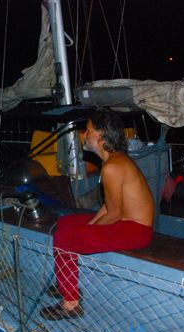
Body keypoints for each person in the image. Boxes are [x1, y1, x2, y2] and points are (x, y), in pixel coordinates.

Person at [40, 111, 154, 320]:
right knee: (67, 222)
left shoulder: (112, 167)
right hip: (126, 223)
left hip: (135, 230)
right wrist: (89, 225)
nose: (84, 134)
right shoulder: (114, 161)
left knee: (67, 239)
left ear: (101, 136)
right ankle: (67, 282)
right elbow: (109, 206)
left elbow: (114, 213)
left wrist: (87, 231)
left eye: (89, 130)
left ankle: (71, 303)